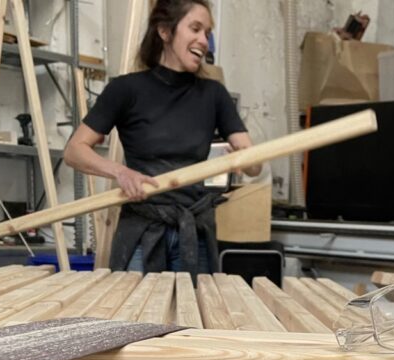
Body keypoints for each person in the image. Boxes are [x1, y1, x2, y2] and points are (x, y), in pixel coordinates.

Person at [63, 0, 260, 278]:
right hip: (142, 230)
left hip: (193, 231)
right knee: (138, 306)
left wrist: (243, 160)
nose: (204, 41)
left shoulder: (214, 95)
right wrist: (120, 172)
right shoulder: (126, 89)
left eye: (207, 33)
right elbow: (74, 150)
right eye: (195, 29)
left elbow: (254, 165)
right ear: (165, 31)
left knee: (193, 306)